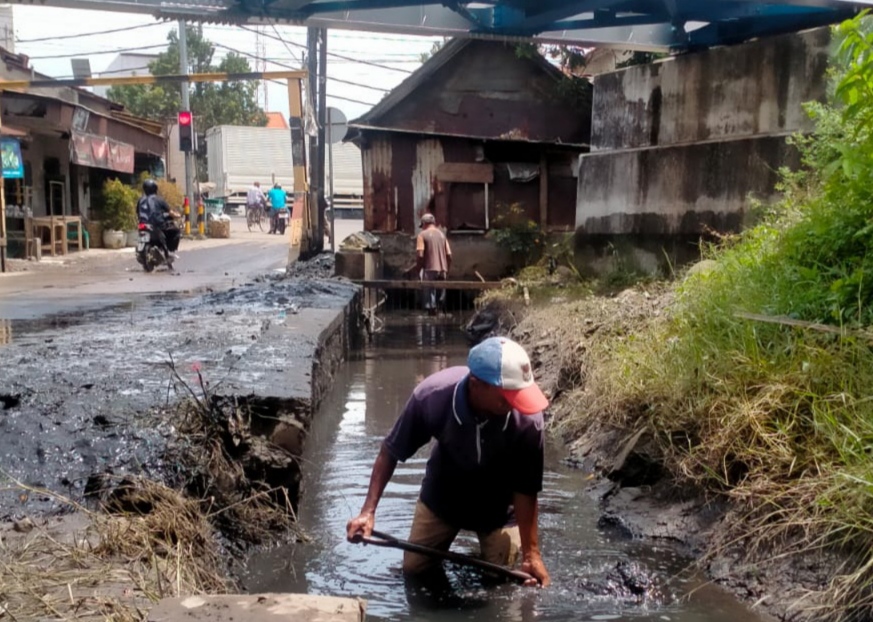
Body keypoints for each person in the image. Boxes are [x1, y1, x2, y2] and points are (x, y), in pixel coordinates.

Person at [346, 336, 551, 588]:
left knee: (503, 583)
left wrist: (532, 555)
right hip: (443, 496)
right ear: (476, 385)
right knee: (414, 570)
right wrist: (368, 512)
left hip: (498, 508)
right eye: (507, 396)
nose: (515, 404)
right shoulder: (432, 397)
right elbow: (390, 451)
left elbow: (526, 489)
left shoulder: (528, 421)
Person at [415, 213, 452, 316]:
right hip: (442, 271)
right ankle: (440, 325)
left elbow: (420, 255)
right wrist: (446, 269)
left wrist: (418, 269)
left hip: (429, 270)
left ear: (424, 224)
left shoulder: (422, 235)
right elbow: (449, 255)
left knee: (430, 304)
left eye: (422, 225)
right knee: (440, 301)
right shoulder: (442, 236)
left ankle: (430, 326)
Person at [137, 179, 180, 259]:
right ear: (155, 188)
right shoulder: (159, 199)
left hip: (142, 225)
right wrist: (177, 215)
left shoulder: (140, 200)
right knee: (176, 231)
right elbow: (170, 212)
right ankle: (169, 251)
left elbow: (138, 212)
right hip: (156, 225)